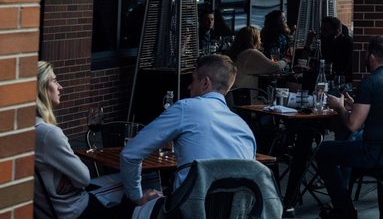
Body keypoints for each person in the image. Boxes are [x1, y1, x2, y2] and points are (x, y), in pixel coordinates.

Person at [121, 55, 256, 206]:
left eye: (192, 80)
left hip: (187, 211)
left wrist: (137, 197)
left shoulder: (187, 108)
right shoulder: (245, 128)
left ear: (205, 83)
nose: (189, 87)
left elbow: (130, 154)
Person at [315, 36, 383, 219]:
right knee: (347, 144)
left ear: (372, 56)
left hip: (378, 153)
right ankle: (343, 206)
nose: (365, 57)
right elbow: (380, 110)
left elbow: (352, 125)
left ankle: (345, 211)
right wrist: (355, 106)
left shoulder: (371, 81)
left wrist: (339, 106)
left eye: (367, 53)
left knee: (323, 151)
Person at [35, 62, 130, 219]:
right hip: (76, 210)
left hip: (51, 210)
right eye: (54, 80)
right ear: (41, 88)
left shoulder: (24, 131)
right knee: (135, 186)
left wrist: (66, 176)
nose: (60, 87)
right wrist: (71, 177)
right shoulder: (48, 134)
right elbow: (84, 178)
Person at [306, 16, 354, 82]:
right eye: (321, 29)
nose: (322, 33)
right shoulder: (325, 41)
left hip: (342, 81)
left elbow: (343, 69)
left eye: (325, 30)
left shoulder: (347, 44)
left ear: (336, 32)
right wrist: (309, 42)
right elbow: (308, 58)